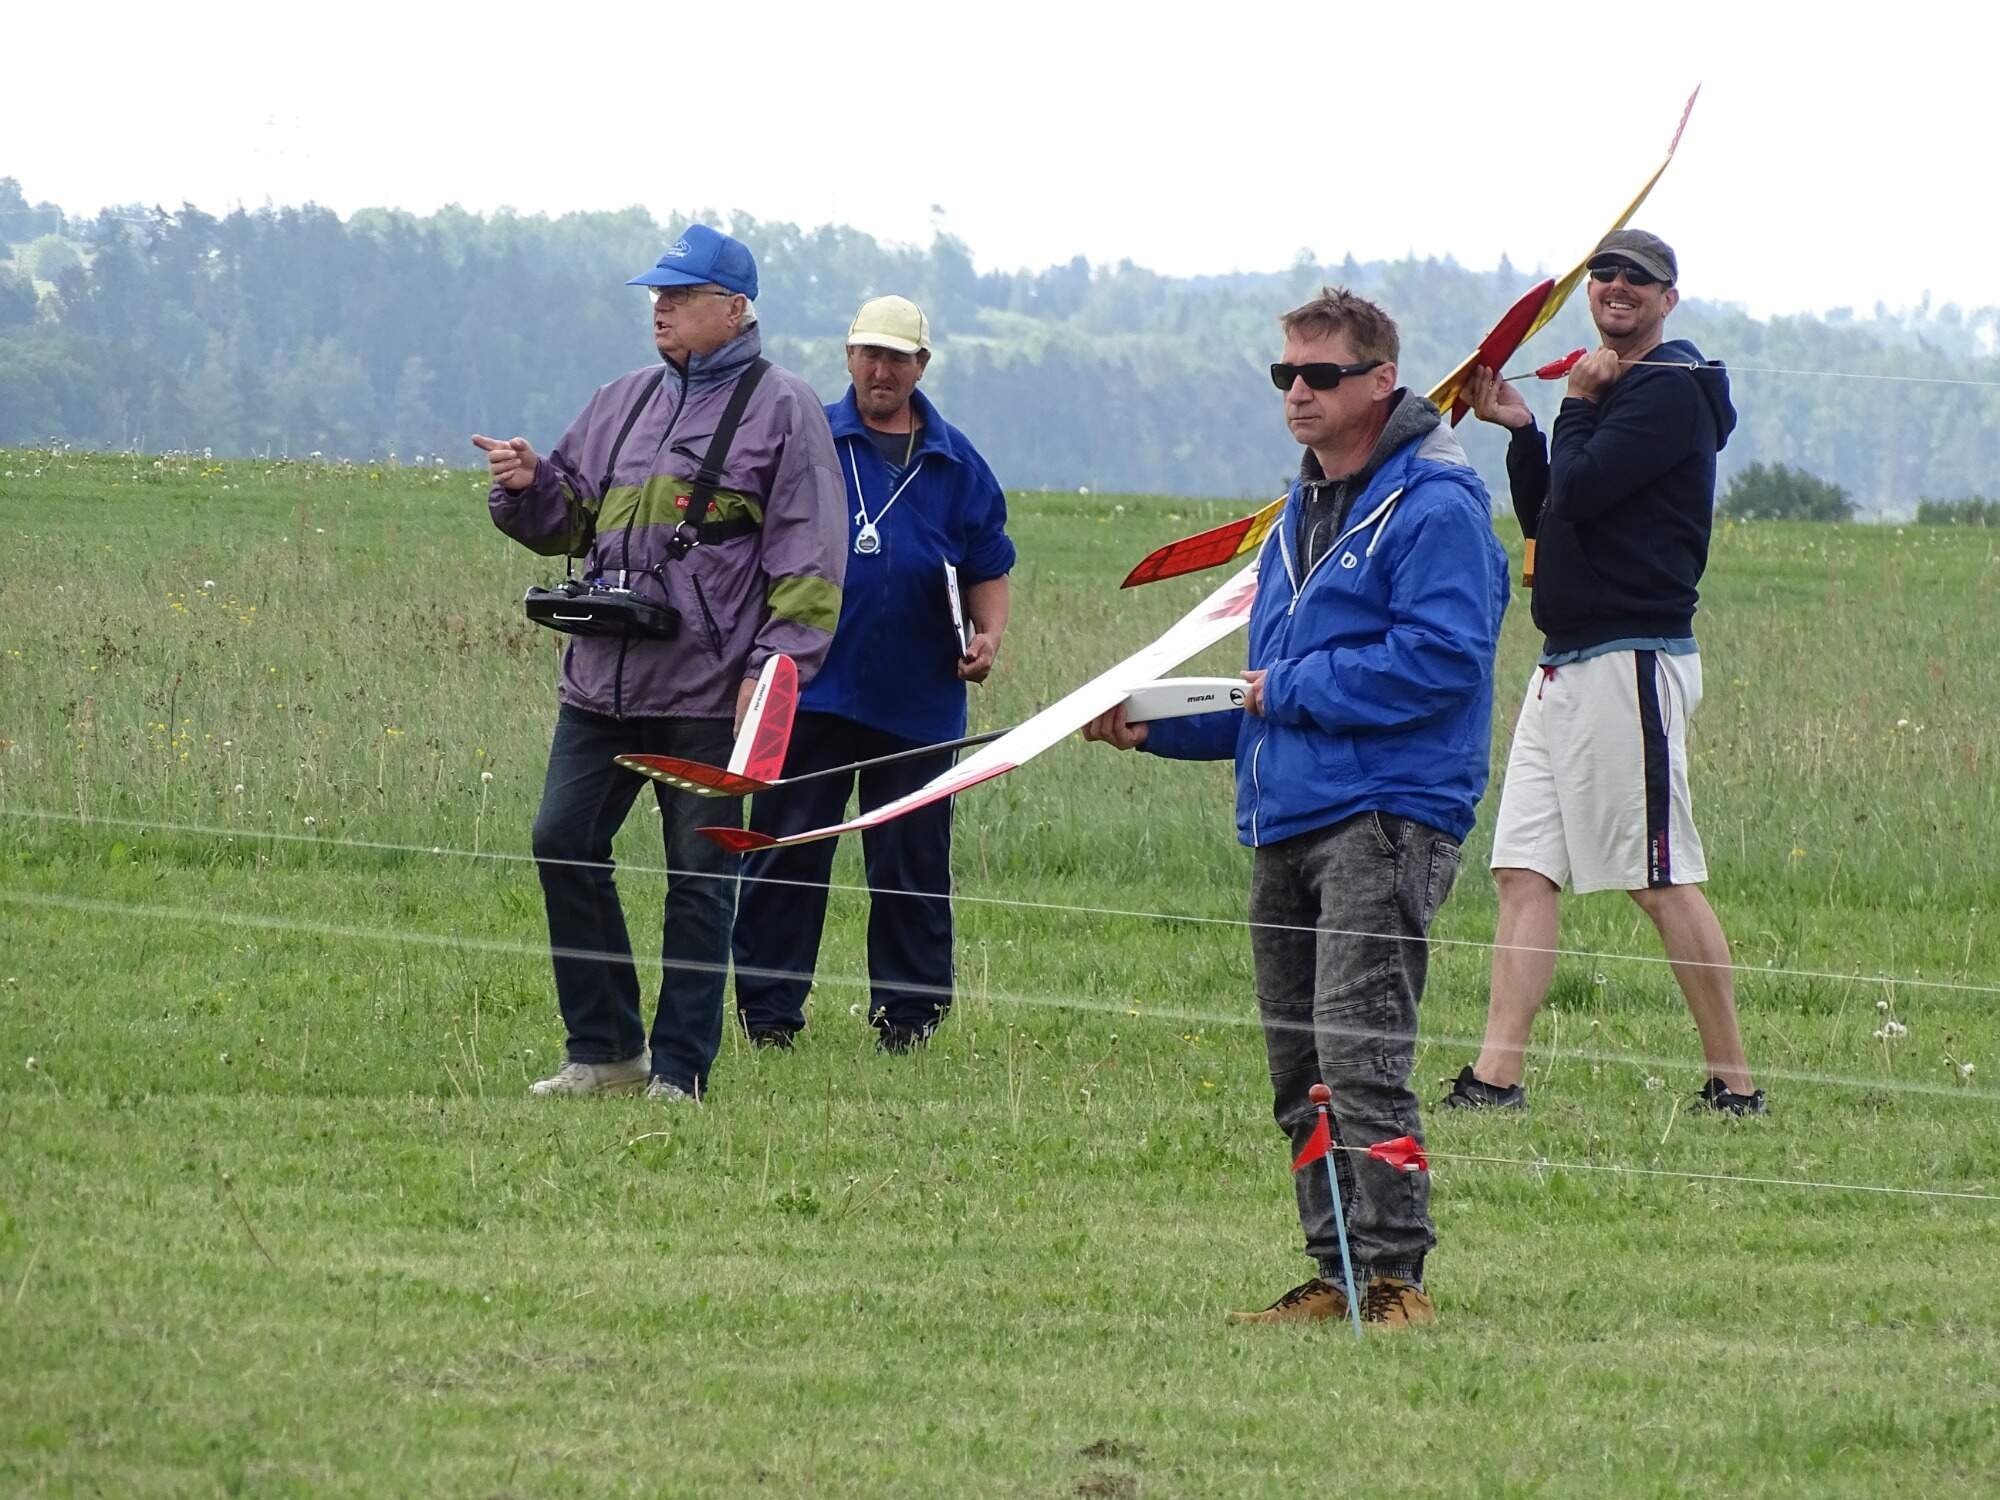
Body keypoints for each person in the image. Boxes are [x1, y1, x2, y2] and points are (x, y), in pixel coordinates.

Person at [1083, 288, 1508, 1328]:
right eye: (1285, 375)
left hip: (1384, 816)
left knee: (1361, 1059)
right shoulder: (1300, 512)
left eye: (1320, 374)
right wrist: (1151, 724)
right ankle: (1335, 1271)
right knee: (1302, 1072)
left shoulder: (1435, 505)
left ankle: (1396, 1278)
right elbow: (1260, 698)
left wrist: (1288, 688)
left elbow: (1442, 661)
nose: (1298, 392)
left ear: (1381, 381)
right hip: (1287, 819)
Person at [476, 223, 847, 1101]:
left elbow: (811, 561)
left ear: (736, 307)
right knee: (562, 841)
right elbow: (569, 521)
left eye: (679, 296)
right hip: (599, 681)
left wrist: (772, 671)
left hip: (710, 692)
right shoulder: (621, 400)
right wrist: (527, 487)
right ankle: (606, 1051)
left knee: (701, 877)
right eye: (656, 295)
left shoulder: (785, 408)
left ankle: (679, 1070)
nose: (660, 309)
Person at [1445, 228, 1763, 1116]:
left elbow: (1580, 488)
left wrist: (1576, 405)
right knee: (1522, 873)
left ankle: (1734, 1084)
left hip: (1631, 659)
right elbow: (1552, 514)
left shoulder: (1669, 391)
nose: (1617, 287)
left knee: (1656, 876)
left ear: (1668, 299)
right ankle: (1496, 1078)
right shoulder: (1616, 389)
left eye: (1638, 279)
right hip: (1565, 664)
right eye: (1604, 274)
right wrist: (1524, 430)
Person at [730, 295, 1015, 1053]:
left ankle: (908, 1020)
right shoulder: (809, 440)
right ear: (848, 356)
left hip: (919, 701)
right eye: (869, 354)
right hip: (810, 690)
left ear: (922, 365)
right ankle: (768, 1017)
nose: (880, 370)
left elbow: (988, 564)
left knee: (911, 864)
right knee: (786, 850)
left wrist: (988, 637)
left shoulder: (957, 462)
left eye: (896, 357)